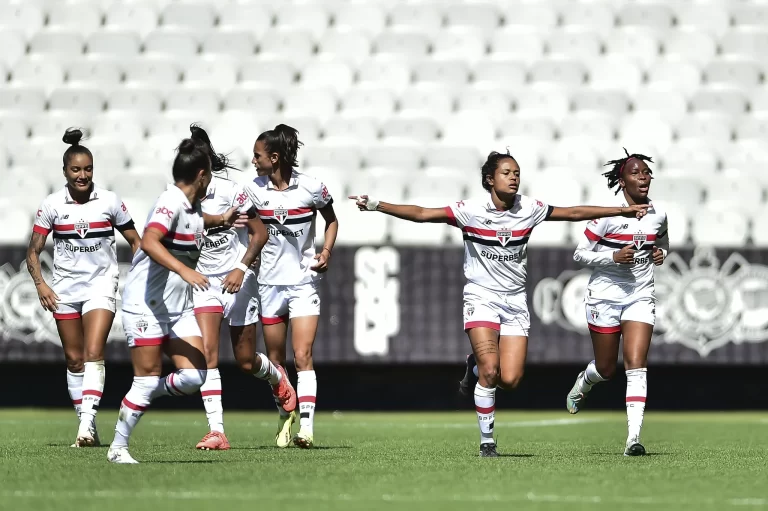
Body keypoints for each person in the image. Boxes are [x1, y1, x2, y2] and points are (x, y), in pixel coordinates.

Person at [349, 150, 648, 457]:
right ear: (490, 180)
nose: (514, 177)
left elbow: (571, 213)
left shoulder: (528, 208)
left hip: (515, 302)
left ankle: (473, 368)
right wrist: (376, 205)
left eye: (517, 172)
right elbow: (423, 214)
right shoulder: (470, 210)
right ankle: (487, 442)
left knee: (511, 378)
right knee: (492, 370)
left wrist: (620, 211)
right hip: (481, 298)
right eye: (507, 173)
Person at [108, 137, 244, 464]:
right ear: (201, 175)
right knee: (146, 377)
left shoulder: (193, 208)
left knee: (195, 376)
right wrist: (185, 270)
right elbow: (150, 241)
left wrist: (222, 220)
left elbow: (196, 224)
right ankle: (118, 448)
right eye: (209, 172)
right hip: (146, 303)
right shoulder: (169, 202)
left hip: (177, 307)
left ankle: (142, 395)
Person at [27, 128, 141, 448]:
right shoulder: (51, 205)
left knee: (93, 353)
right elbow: (33, 251)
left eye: (88, 169)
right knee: (74, 360)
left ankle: (87, 426)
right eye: (76, 169)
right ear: (65, 171)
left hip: (101, 285)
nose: (83, 175)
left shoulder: (109, 201)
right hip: (63, 289)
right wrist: (41, 286)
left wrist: (141, 276)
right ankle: (85, 422)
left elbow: (136, 241)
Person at [188, 124, 297, 451]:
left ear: (205, 171)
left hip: (239, 279)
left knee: (246, 360)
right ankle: (217, 432)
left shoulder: (232, 191)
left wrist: (239, 268)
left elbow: (259, 234)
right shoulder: (179, 194)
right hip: (205, 281)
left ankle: (280, 382)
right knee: (206, 353)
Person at [565, 150, 668, 457]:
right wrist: (611, 257)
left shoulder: (658, 214)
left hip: (640, 294)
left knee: (636, 363)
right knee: (607, 368)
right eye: (637, 173)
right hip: (605, 297)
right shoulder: (607, 216)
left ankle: (632, 438)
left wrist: (661, 254)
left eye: (647, 173)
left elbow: (662, 243)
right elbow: (579, 254)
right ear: (622, 181)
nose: (644, 178)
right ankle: (585, 380)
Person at [244, 124, 339, 449]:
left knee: (303, 355)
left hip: (303, 283)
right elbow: (242, 223)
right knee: (275, 361)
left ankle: (307, 429)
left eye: (258, 155)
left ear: (274, 157)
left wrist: (325, 251)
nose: (253, 160)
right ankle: (286, 414)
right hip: (268, 285)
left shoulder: (312, 188)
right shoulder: (252, 190)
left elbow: (332, 219)